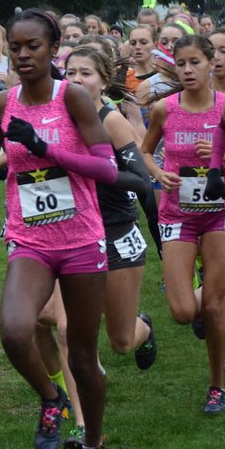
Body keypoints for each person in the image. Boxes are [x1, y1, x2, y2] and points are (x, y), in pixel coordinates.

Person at [0, 8, 144, 449]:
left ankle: (93, 447)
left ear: (54, 49)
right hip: (30, 239)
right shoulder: (2, 103)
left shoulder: (72, 97)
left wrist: (45, 147)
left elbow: (104, 168)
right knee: (14, 332)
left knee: (82, 355)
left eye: (33, 46)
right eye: (15, 47)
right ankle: (51, 399)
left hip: (80, 240)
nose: (23, 55)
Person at [143, 36, 225, 414]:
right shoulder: (165, 109)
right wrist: (158, 172)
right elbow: (144, 151)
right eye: (181, 63)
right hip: (178, 214)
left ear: (211, 64)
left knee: (212, 307)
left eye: (195, 62)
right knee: (181, 312)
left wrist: (224, 155)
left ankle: (217, 385)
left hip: (219, 214)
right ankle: (208, 294)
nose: (188, 70)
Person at [62, 48, 158, 374]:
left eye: (85, 73)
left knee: (121, 340)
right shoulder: (59, 116)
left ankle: (142, 327)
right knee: (71, 324)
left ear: (103, 81)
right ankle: (88, 393)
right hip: (74, 232)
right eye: (70, 72)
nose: (76, 80)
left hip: (116, 229)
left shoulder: (111, 120)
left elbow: (141, 181)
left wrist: (94, 169)